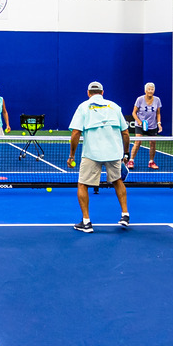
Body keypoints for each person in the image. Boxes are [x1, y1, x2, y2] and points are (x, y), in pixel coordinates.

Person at [67, 81, 131, 233]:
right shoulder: (115, 106)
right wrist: (126, 153)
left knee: (83, 184)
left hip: (92, 153)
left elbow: (76, 133)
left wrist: (72, 155)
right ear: (102, 92)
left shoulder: (83, 106)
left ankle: (86, 222)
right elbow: (126, 132)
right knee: (117, 181)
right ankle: (125, 215)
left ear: (88, 93)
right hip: (113, 152)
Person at [131, 82, 163, 169]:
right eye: (149, 89)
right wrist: (139, 122)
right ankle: (131, 160)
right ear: (145, 90)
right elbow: (134, 113)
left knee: (153, 143)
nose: (150, 91)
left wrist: (159, 123)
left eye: (152, 89)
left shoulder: (157, 100)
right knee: (138, 142)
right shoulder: (140, 99)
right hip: (140, 125)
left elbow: (158, 113)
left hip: (152, 125)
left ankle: (151, 162)